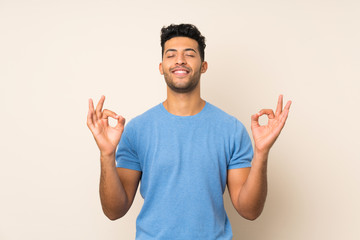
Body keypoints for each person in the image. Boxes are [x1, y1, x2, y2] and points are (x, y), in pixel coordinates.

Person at [87, 23, 291, 240]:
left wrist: (262, 153)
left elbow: (249, 211)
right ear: (161, 66)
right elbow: (114, 211)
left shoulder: (231, 130)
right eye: (171, 54)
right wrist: (107, 155)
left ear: (203, 66)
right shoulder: (137, 130)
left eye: (190, 54)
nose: (180, 60)